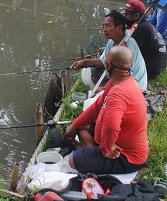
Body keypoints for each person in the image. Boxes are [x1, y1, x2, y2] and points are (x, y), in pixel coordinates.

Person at [64, 46, 149, 175]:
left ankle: (94, 154)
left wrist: (106, 149)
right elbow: (97, 106)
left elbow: (111, 127)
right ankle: (93, 153)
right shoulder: (120, 82)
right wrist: (75, 125)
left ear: (108, 65)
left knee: (73, 160)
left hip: (127, 156)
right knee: (82, 127)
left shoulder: (118, 94)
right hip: (114, 139)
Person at [71, 10, 147, 91]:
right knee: (96, 72)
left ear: (120, 27)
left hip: (135, 85)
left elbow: (125, 75)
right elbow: (102, 62)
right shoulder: (111, 42)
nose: (104, 29)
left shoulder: (129, 45)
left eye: (108, 26)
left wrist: (105, 89)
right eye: (103, 26)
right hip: (121, 78)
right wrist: (84, 63)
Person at [123, 0, 167, 79]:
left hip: (150, 72)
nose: (125, 17)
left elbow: (127, 53)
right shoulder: (146, 26)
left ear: (136, 15)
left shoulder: (140, 29)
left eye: (127, 14)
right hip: (160, 69)